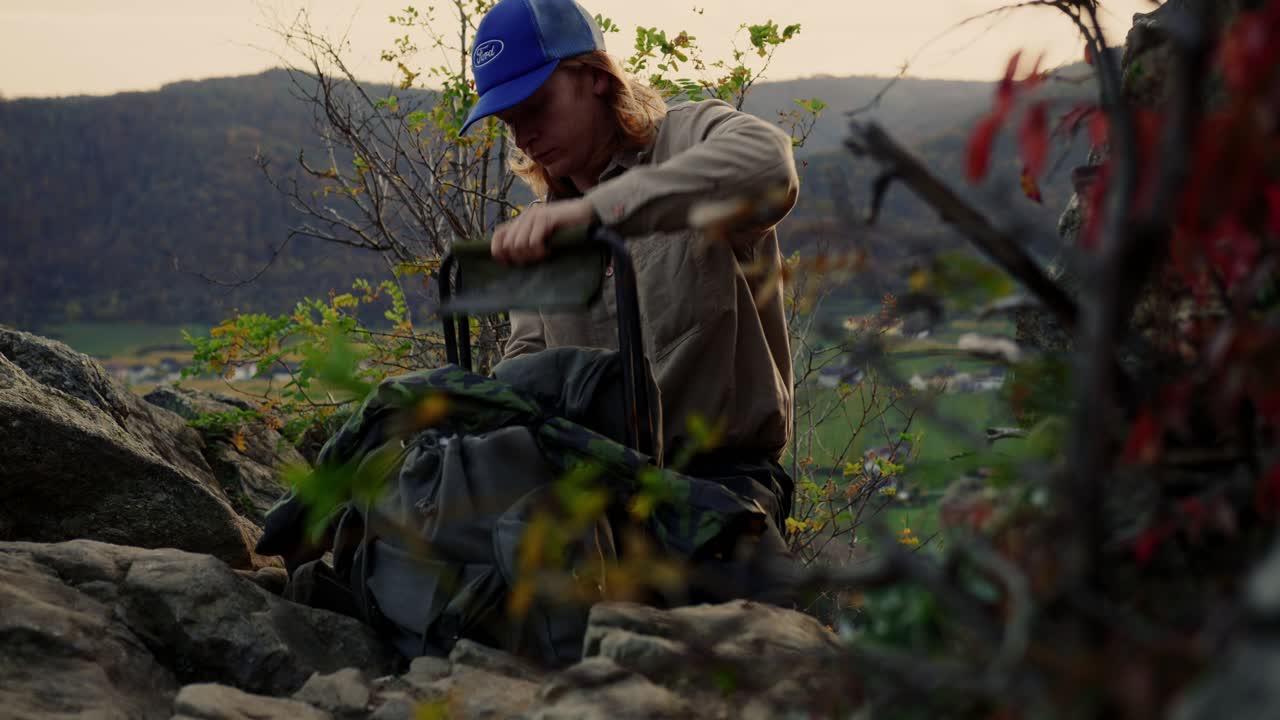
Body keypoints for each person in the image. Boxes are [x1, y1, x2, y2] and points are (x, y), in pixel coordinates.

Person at [460, 0, 800, 530]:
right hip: (599, 498)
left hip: (724, 486)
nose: (523, 135)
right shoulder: (541, 230)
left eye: (535, 106)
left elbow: (770, 163)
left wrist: (599, 212)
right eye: (509, 121)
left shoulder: (688, 138)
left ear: (595, 76)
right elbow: (528, 363)